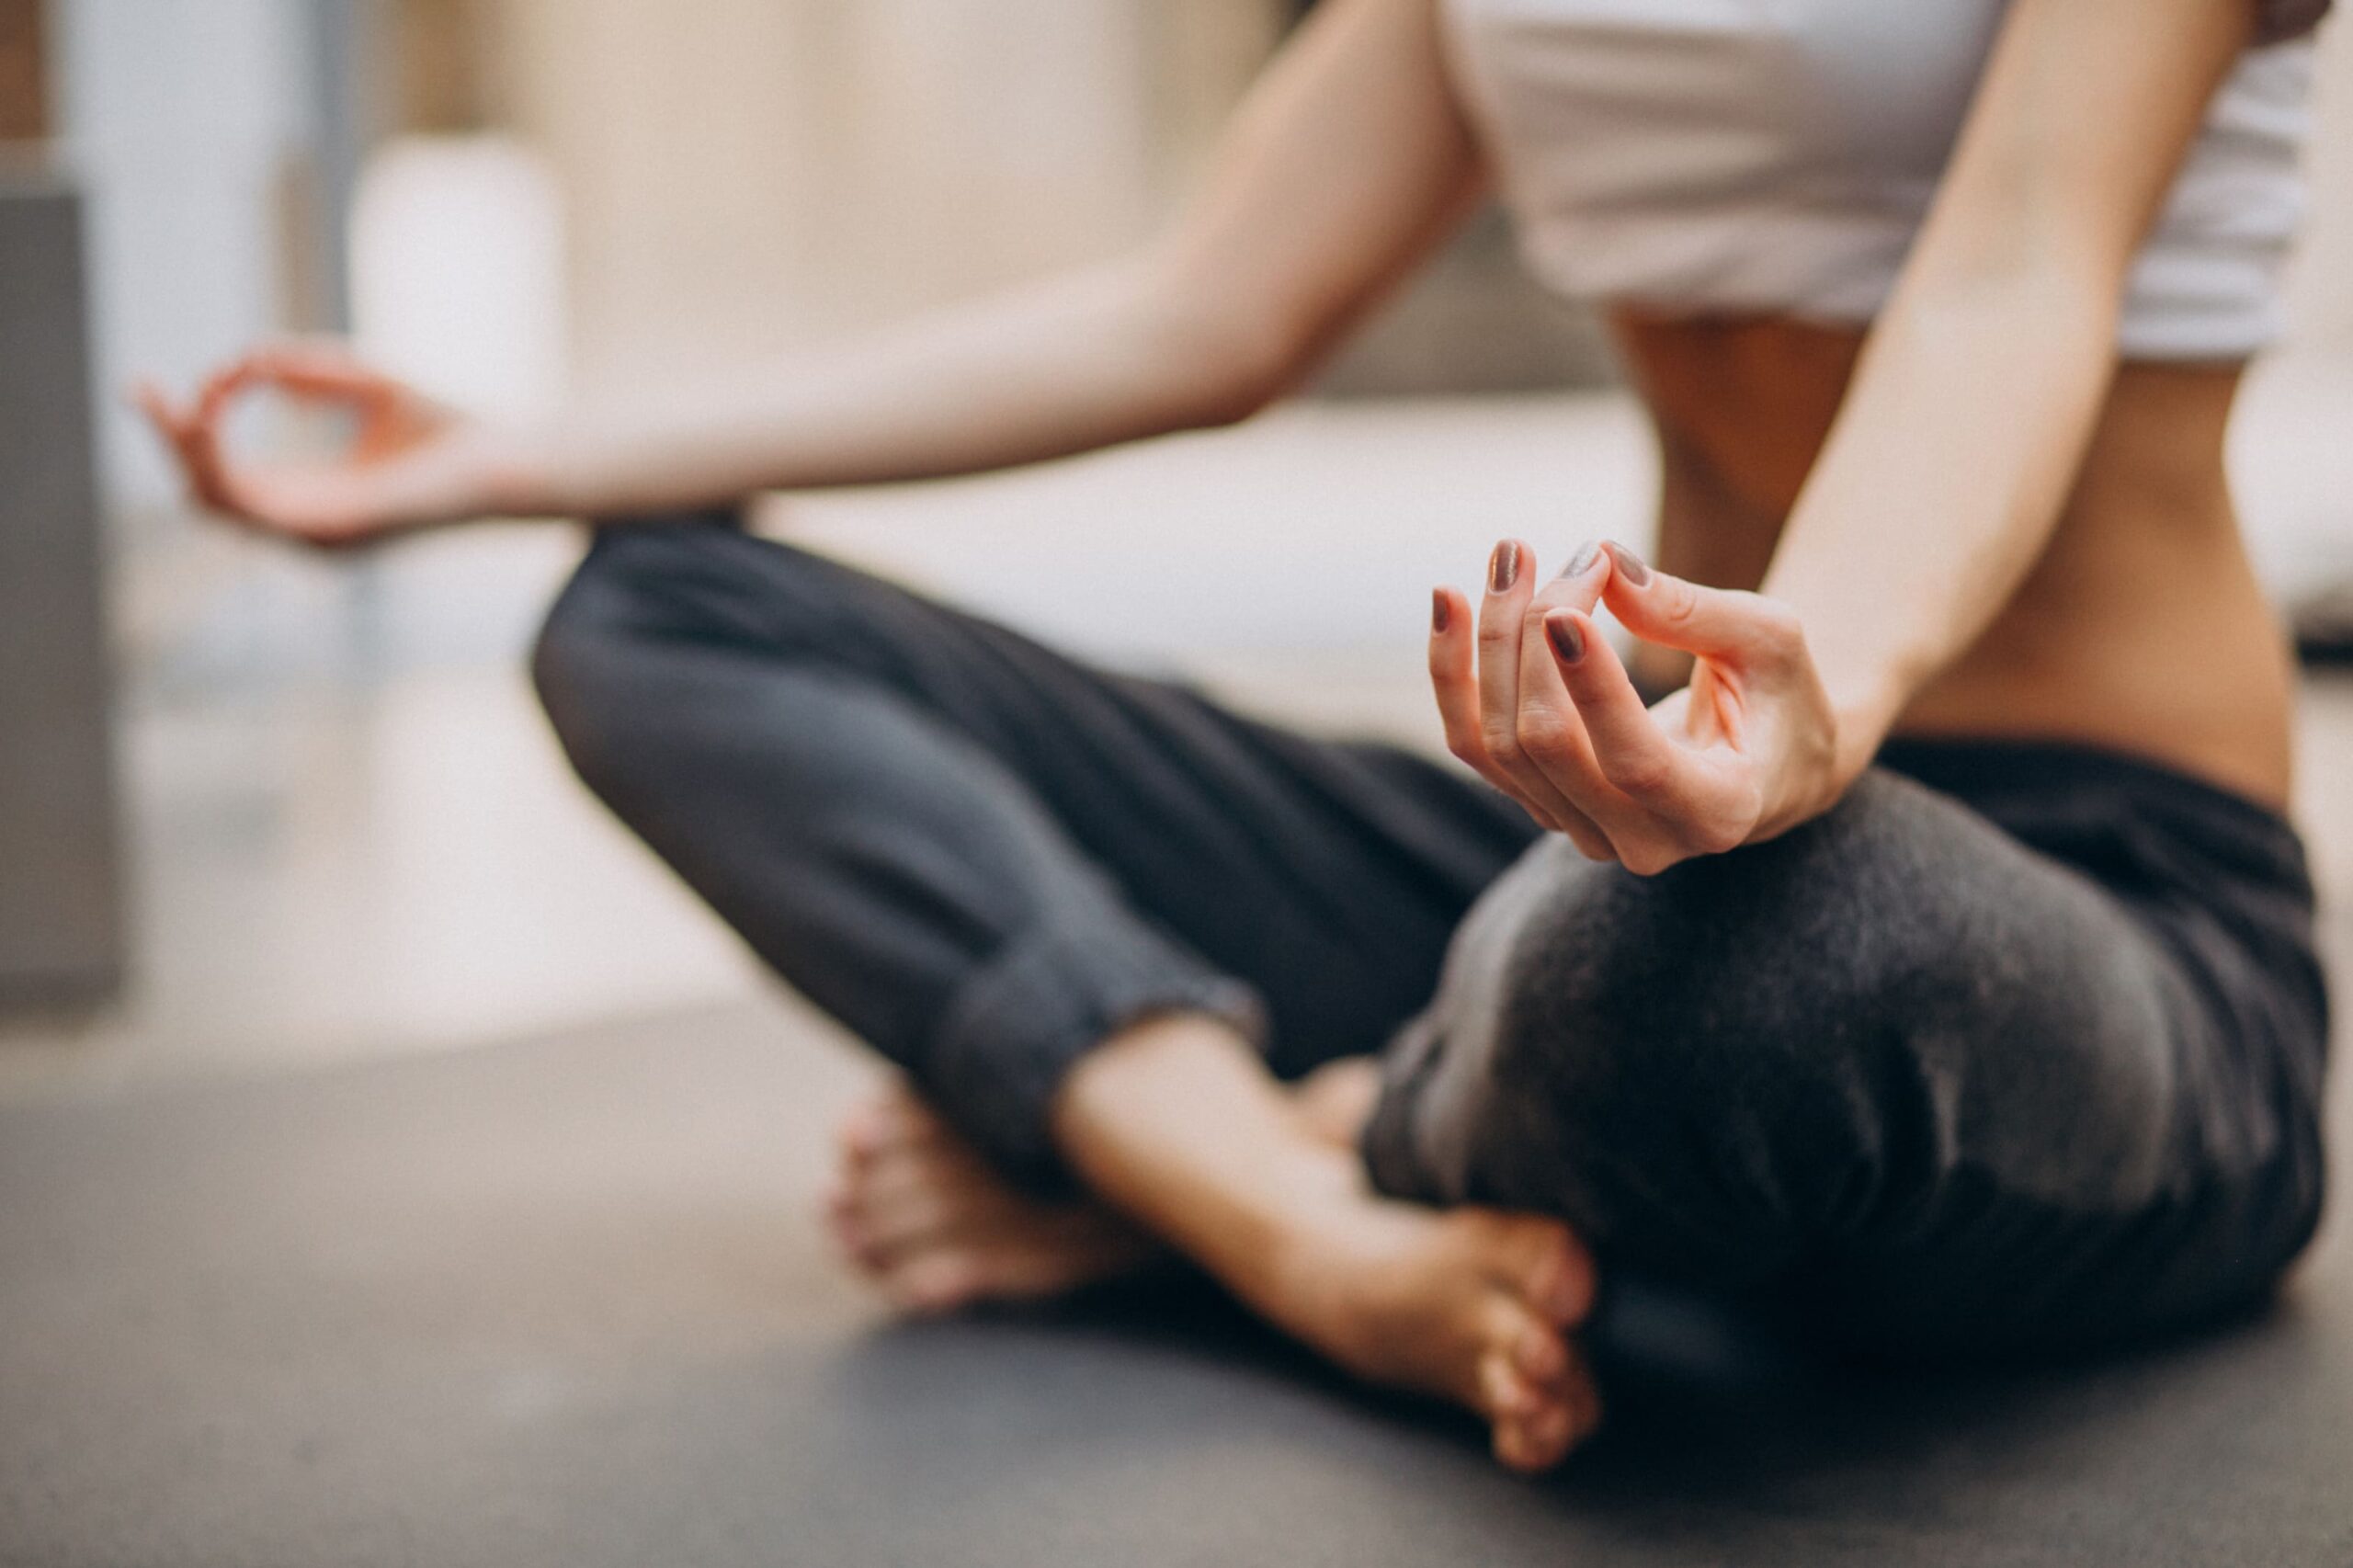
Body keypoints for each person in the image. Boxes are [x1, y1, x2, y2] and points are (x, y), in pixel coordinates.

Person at [139, 0, 2334, 1473]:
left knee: (1729, 956)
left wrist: (1805, 701)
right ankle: (1291, 1216)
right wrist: (515, 451)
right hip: (1615, 850)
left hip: (2087, 926)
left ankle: (1178, 1148)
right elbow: (1202, 306)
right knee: (655, 605)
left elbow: (2014, 264)